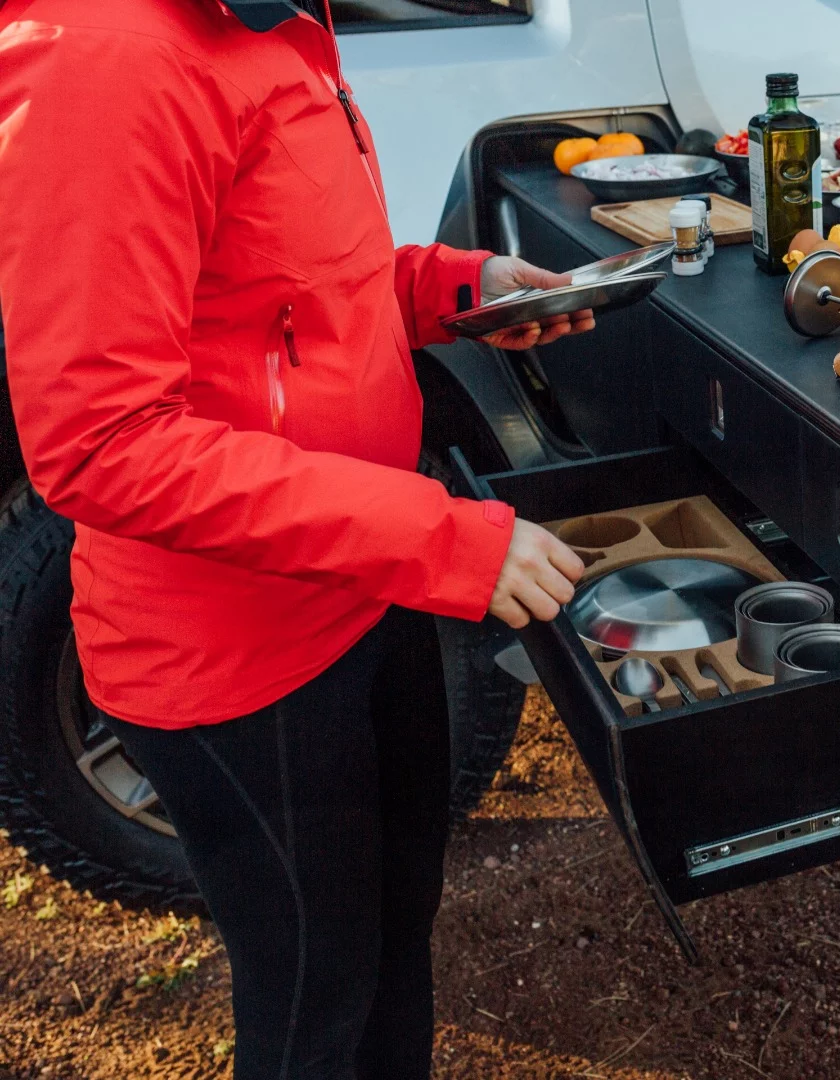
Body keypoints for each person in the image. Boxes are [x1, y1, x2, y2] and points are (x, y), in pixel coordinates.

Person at [0, 1, 594, 1076]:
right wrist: (440, 540)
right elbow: (101, 443)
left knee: (389, 948)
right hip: (233, 657)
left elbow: (290, 295)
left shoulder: (276, 22)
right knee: (313, 1005)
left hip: (360, 592)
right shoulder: (111, 57)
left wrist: (457, 291)